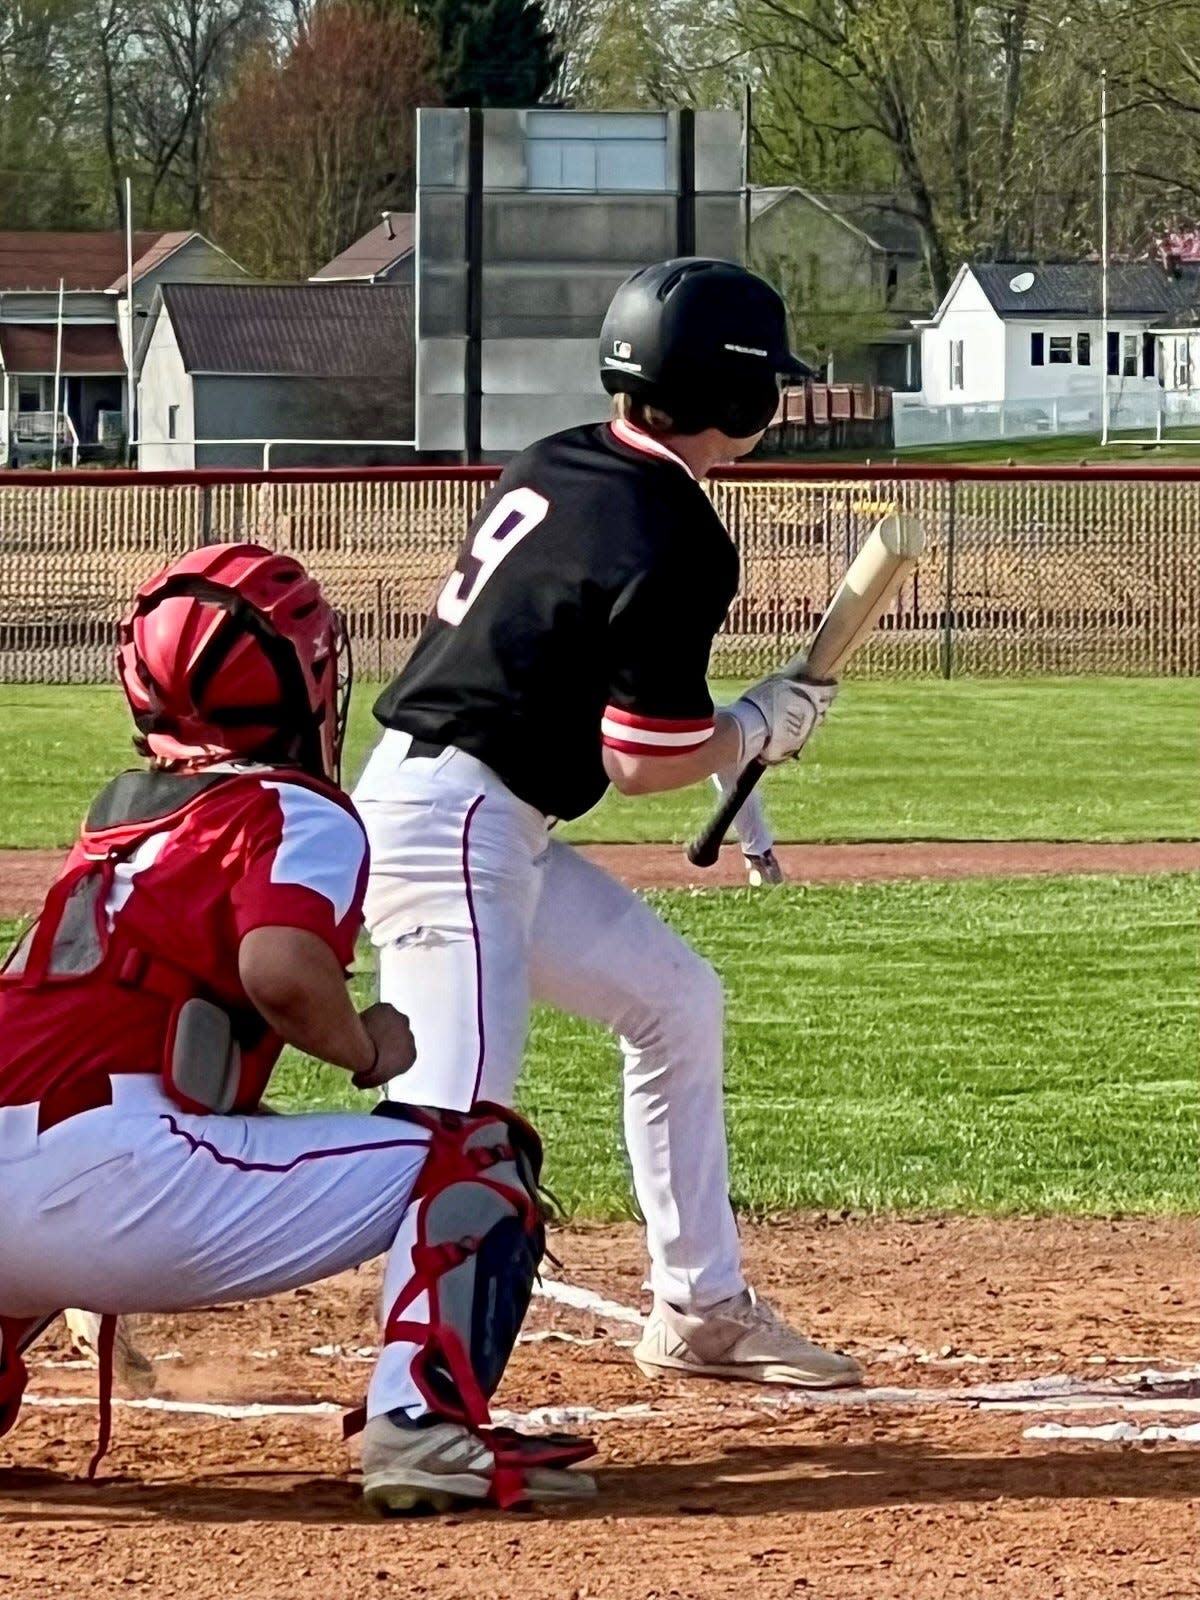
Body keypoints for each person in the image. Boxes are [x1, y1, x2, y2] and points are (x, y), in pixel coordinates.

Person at [0, 543, 595, 1513]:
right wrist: (367, 1046)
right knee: (478, 1154)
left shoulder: (118, 824)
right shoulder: (288, 806)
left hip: (26, 1162)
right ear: (302, 680)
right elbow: (277, 970)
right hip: (111, 1182)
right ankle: (423, 1428)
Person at [353, 258, 863, 1389]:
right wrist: (752, 727)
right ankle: (410, 1396)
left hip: (470, 811)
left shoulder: (561, 455)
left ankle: (702, 1308)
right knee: (452, 1119)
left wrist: (740, 724)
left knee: (676, 1001)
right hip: (455, 831)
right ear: (735, 398)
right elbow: (641, 758)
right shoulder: (678, 528)